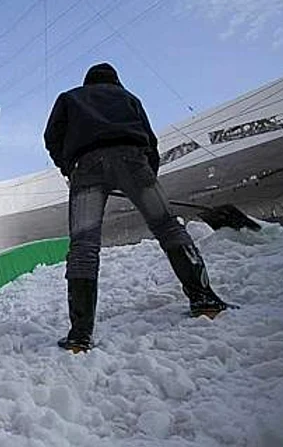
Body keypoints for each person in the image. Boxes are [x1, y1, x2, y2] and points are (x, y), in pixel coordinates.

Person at [44, 63, 231, 353]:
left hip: (86, 166)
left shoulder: (69, 97)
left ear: (87, 82)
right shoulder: (128, 97)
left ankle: (80, 336)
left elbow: (51, 137)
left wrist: (70, 168)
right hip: (133, 159)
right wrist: (146, 179)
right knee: (168, 227)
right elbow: (150, 140)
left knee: (84, 245)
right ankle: (204, 300)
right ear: (115, 81)